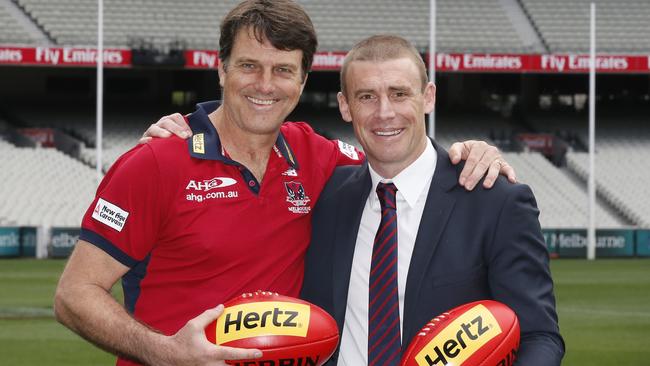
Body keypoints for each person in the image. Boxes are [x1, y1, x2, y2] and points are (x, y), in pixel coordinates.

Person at [54, 1, 514, 366]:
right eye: (249, 66)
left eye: (283, 70)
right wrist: (166, 352)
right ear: (222, 70)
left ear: (302, 80)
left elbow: (400, 155)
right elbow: (74, 296)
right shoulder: (154, 162)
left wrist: (470, 152)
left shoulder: (317, 155)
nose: (265, 85)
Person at [300, 35, 564, 365]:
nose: (385, 112)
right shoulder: (326, 198)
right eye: (366, 96)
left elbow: (539, 337)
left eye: (399, 94)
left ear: (428, 97)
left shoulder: (495, 201)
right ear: (344, 106)